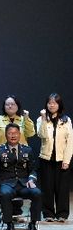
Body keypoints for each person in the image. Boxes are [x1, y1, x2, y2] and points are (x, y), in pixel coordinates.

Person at [0, 123, 41, 230]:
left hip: (24, 184)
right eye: (10, 133)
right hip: (7, 184)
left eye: (15, 133)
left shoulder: (27, 150)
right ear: (6, 135)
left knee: (37, 193)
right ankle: (9, 223)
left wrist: (31, 179)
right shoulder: (0, 150)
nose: (13, 135)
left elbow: (33, 169)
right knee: (4, 194)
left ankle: (33, 223)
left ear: (19, 134)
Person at [36, 93, 73, 222]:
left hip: (61, 159)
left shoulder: (66, 120)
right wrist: (43, 119)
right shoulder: (41, 119)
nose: (52, 105)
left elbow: (70, 142)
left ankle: (62, 213)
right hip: (46, 158)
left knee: (62, 188)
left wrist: (67, 160)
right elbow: (42, 135)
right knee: (47, 187)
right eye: (49, 103)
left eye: (54, 103)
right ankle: (48, 213)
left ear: (59, 105)